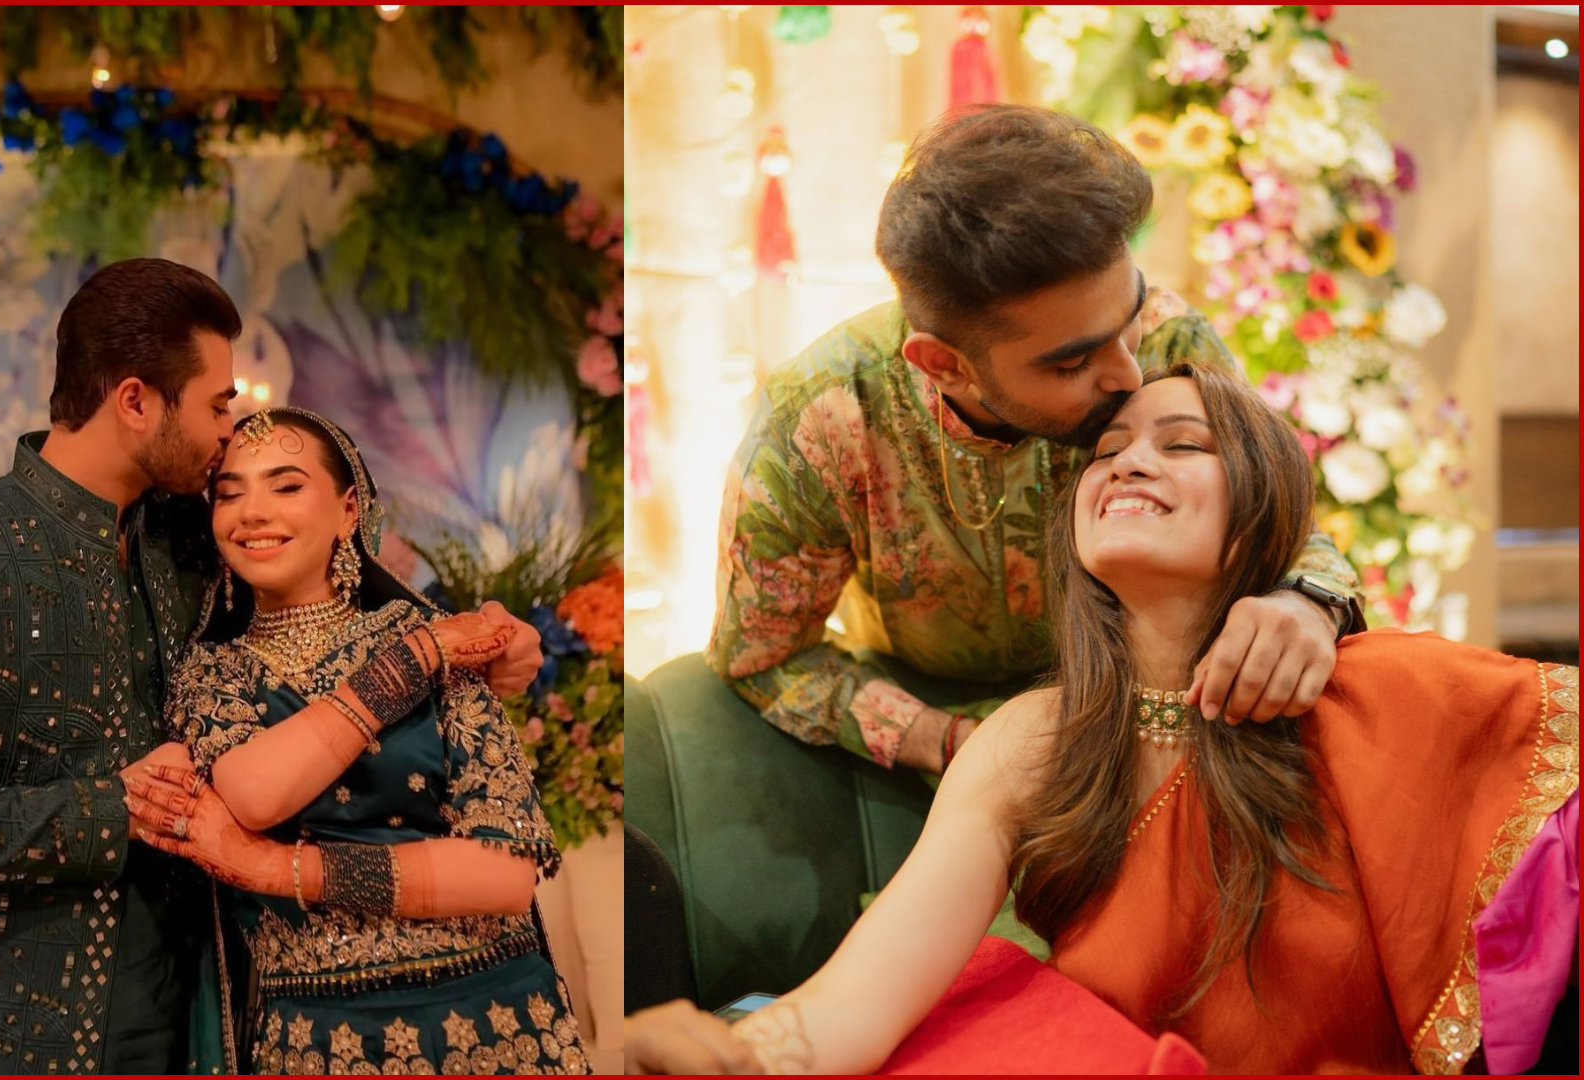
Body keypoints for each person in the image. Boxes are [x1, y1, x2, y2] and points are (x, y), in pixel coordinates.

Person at [628, 362, 1578, 1073]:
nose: (1127, 463)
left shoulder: (1378, 690)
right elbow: (858, 1000)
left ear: (1257, 513)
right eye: (1107, 451)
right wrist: (735, 1057)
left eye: (1182, 443)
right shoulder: (1033, 740)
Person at [0, 258, 544, 1074]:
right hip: (6, 1030)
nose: (229, 431)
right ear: (135, 401)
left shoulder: (194, 536)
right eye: (217, 405)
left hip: (200, 1021)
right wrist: (106, 809)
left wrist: (500, 647)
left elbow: (334, 588)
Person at [707, 105, 1361, 777]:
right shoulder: (824, 416)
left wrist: (1307, 601)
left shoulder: (1169, 339)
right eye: (1072, 363)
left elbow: (1281, 518)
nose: (1131, 374)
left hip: (1176, 718)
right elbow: (764, 657)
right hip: (942, 746)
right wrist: (955, 746)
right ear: (943, 364)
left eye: (1129, 317)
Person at [120, 407, 588, 1074]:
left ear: (347, 512)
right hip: (318, 1037)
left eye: (285, 487)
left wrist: (269, 870)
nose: (252, 512)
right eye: (230, 493)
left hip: (495, 1027)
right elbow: (256, 793)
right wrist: (414, 661)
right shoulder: (212, 674)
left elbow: (506, 873)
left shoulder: (435, 633)